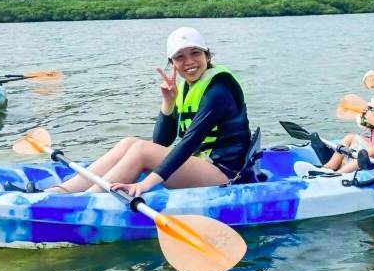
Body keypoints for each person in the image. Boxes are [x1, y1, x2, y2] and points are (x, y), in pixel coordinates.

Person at [47, 27, 251, 196]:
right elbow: (161, 142)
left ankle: (88, 198)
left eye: (195, 53)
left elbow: (190, 142)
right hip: (202, 164)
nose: (189, 62)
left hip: (226, 174)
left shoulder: (219, 89)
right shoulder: (188, 85)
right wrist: (168, 103)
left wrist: (145, 185)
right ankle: (62, 191)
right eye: (180, 57)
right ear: (172, 63)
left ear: (207, 54)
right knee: (129, 143)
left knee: (142, 151)